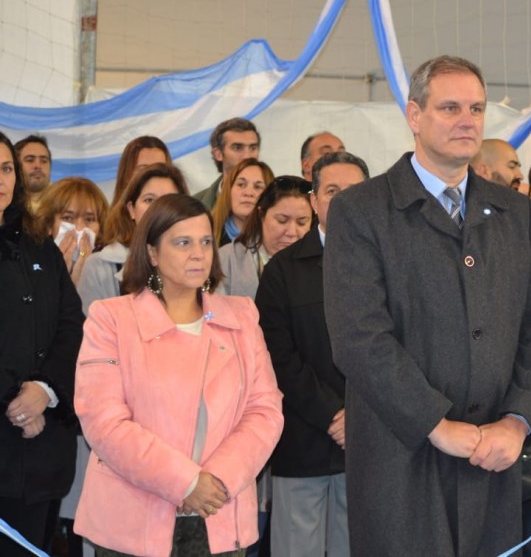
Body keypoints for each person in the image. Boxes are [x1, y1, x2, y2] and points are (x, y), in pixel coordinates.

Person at [322, 55, 531, 556]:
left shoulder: (514, 212)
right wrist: (436, 423)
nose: (467, 120)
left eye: (476, 108)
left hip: (492, 458)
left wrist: (517, 421)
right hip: (400, 459)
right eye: (450, 107)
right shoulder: (360, 210)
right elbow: (359, 338)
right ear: (414, 116)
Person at [73, 194, 284, 556]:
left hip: (219, 512)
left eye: (205, 241)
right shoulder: (111, 319)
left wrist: (215, 481)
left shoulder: (241, 317)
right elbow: (104, 422)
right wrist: (185, 482)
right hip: (132, 521)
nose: (199, 253)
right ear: (152, 253)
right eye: (183, 242)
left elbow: (265, 411)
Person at [256, 151, 369, 557]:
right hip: (302, 444)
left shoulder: (391, 266)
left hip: (368, 444)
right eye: (332, 191)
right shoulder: (282, 271)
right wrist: (333, 414)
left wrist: (359, 413)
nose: (341, 202)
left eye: (353, 192)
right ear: (314, 200)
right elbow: (277, 357)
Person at [0, 131, 84, 557]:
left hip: (43, 454)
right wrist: (16, 402)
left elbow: (71, 324)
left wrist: (44, 390)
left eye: (5, 168)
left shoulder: (38, 244)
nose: (0, 179)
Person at [77, 162, 188, 316]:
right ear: (131, 210)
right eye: (149, 200)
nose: (158, 209)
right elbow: (94, 334)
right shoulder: (100, 266)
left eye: (168, 200)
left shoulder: (199, 258)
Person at [217, 176, 312, 297]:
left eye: (302, 222)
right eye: (282, 220)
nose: (292, 232)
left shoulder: (323, 263)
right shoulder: (226, 259)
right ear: (261, 215)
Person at [37, 177, 109, 286]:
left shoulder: (110, 268)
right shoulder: (33, 264)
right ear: (49, 225)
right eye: (68, 218)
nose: (79, 228)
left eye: (89, 219)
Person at [195, 118, 261, 209]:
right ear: (218, 154)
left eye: (252, 148)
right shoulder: (194, 205)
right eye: (237, 148)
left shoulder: (275, 198)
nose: (247, 156)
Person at [211, 158, 274, 247]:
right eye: (241, 184)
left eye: (258, 187)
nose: (248, 193)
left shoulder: (279, 241)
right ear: (229, 190)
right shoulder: (206, 233)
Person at [110, 136, 171, 206]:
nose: (152, 175)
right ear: (126, 175)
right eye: (143, 169)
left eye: (158, 168)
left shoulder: (183, 213)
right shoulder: (112, 216)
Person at [13, 134, 52, 210]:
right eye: (30, 160)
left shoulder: (65, 201)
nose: (38, 166)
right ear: (15, 166)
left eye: (44, 161)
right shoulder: (4, 204)